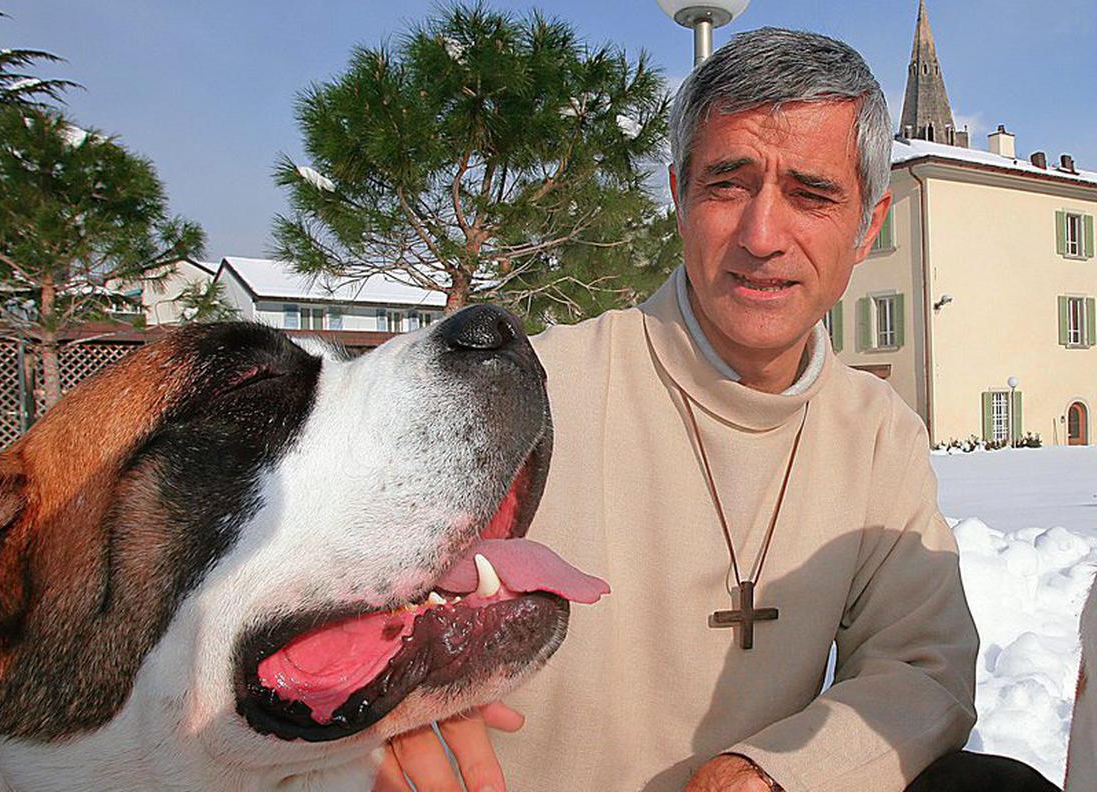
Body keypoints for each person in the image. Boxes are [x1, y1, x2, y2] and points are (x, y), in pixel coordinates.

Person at [376, 28, 1058, 792]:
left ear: (869, 225)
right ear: (678, 198)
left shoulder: (875, 433)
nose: (762, 236)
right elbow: (327, 600)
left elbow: (924, 668)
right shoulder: (535, 393)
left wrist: (772, 775)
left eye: (811, 194)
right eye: (729, 185)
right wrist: (374, 712)